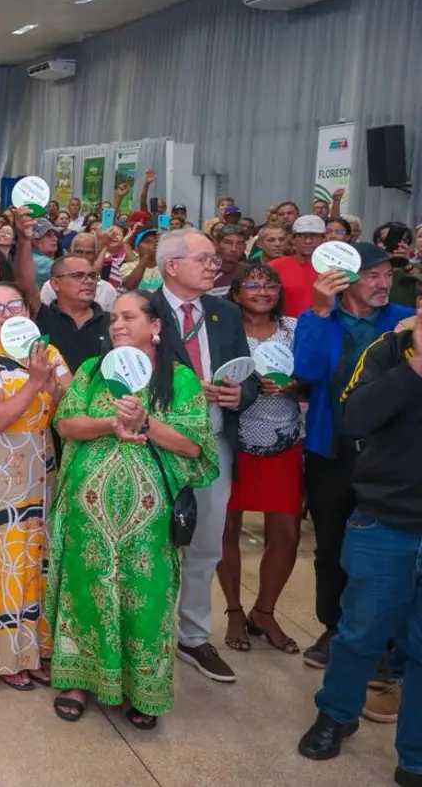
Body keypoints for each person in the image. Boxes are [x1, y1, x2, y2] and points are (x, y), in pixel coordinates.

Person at [47, 290, 217, 726]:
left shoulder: (179, 379)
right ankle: (79, 679)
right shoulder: (93, 371)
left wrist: (145, 422)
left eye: (128, 317)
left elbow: (194, 445)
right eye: (113, 319)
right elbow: (65, 423)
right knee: (86, 589)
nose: (117, 325)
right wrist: (111, 423)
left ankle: (138, 687)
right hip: (89, 517)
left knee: (144, 597)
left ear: (155, 326)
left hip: (149, 521)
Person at [297, 287, 422, 779]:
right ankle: (336, 715)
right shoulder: (388, 350)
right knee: (360, 631)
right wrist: (416, 367)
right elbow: (355, 417)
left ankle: (415, 753)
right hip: (384, 518)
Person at [294, 242, 411, 668]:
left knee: (390, 549)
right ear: (343, 280)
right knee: (331, 545)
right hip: (332, 449)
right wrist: (320, 311)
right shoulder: (317, 319)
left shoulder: (405, 321)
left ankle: (389, 639)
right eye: (372, 276)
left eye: (388, 276)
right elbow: (306, 372)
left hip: (391, 456)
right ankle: (334, 627)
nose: (384, 284)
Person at [151, 229, 257, 685]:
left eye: (215, 259)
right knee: (150, 543)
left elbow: (247, 374)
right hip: (157, 444)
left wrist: (239, 394)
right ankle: (145, 631)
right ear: (172, 265)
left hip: (213, 443)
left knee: (207, 543)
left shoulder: (224, 312)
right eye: (205, 259)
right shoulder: (143, 309)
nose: (215, 266)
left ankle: (193, 636)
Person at [0, 282, 71, 689]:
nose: (7, 314)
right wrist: (34, 382)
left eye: (14, 305)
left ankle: (33, 651)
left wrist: (53, 386)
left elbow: (72, 403)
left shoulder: (48, 353)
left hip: (39, 470)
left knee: (35, 563)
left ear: (28, 310)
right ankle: (3, 660)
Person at [217, 265, 302, 655]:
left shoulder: (293, 329)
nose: (263, 290)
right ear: (236, 293)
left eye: (270, 284)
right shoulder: (226, 330)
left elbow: (314, 379)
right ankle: (235, 610)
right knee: (226, 529)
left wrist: (293, 386)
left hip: (283, 439)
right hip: (233, 440)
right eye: (252, 284)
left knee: (286, 534)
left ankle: (264, 611)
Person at [16, 220, 111, 375]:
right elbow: (26, 283)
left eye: (92, 276)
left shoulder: (111, 322)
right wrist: (24, 240)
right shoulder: (44, 317)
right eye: (78, 275)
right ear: (55, 284)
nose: (88, 281)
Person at [41, 232, 118, 313]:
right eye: (79, 252)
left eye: (89, 253)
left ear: (96, 255)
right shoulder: (51, 287)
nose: (83, 257)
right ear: (70, 252)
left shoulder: (107, 290)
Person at [270, 214, 326, 317]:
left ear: (323, 239)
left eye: (314, 235)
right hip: (285, 325)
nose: (308, 241)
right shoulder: (275, 266)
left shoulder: (332, 268)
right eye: (301, 236)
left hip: (324, 325)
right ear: (293, 239)